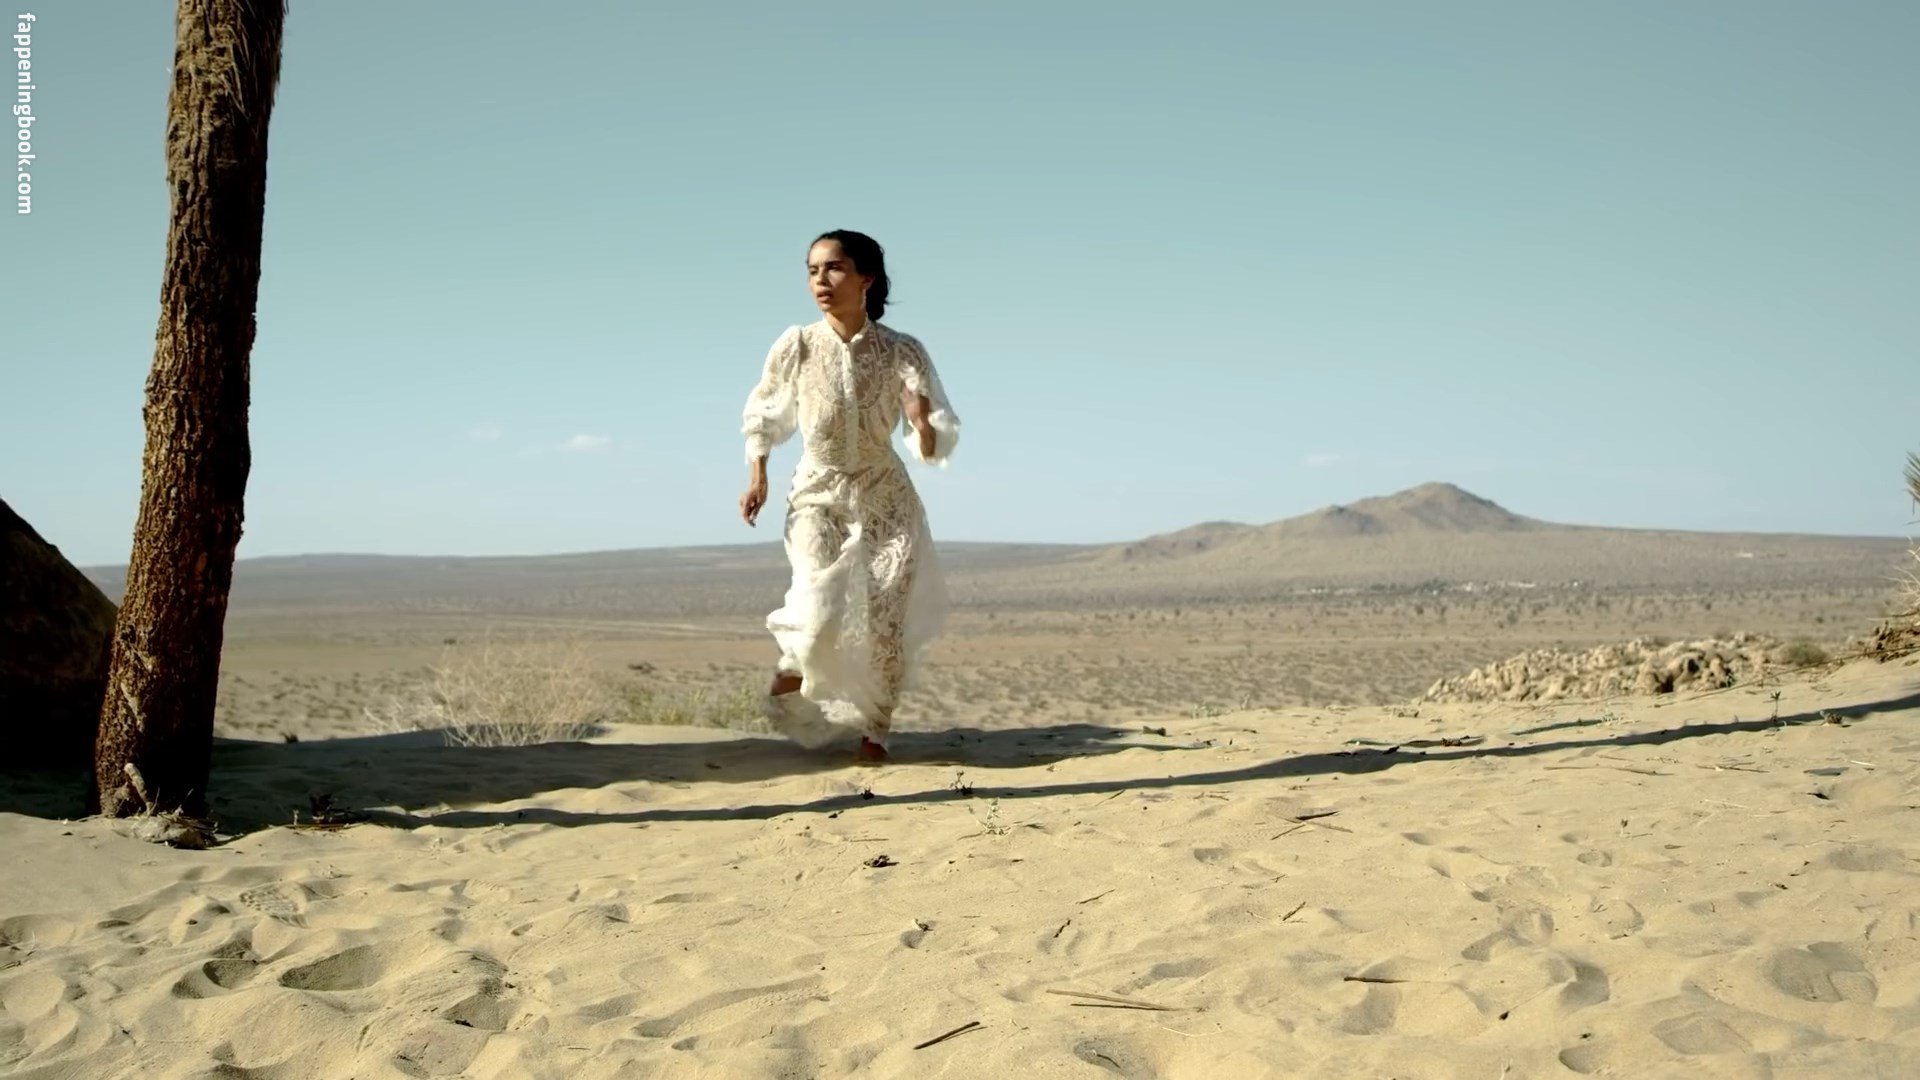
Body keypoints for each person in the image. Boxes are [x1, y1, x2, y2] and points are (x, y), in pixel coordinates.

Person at [739, 230, 960, 762]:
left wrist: (920, 423)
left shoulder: (903, 350)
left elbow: (932, 442)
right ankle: (794, 668)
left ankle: (875, 731)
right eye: (812, 270)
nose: (821, 279)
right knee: (818, 604)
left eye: (834, 268)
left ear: (866, 279)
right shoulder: (797, 344)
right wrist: (758, 476)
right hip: (817, 492)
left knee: (885, 617)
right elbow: (764, 413)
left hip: (887, 496)